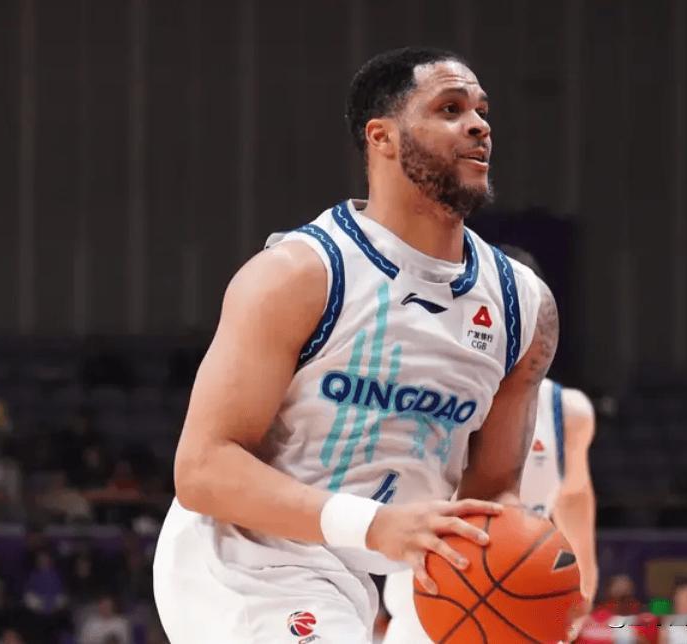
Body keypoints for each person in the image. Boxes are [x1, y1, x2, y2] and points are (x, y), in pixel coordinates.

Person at [153, 46, 558, 643]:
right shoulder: (299, 274)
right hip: (245, 557)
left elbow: (491, 494)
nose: (478, 125)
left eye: (481, 110)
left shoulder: (525, 306)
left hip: (372, 569)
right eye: (450, 108)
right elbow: (202, 470)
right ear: (381, 137)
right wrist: (373, 524)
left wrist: (524, 569)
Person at [381, 369, 598, 642]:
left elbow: (574, 493)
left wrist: (585, 579)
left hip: (532, 620)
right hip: (425, 623)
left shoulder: (566, 412)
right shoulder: (414, 392)